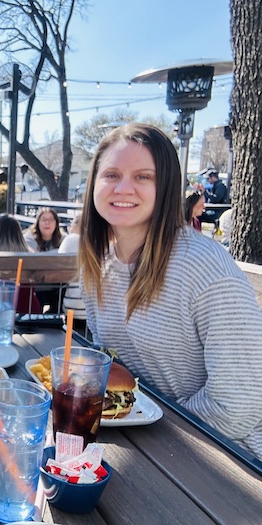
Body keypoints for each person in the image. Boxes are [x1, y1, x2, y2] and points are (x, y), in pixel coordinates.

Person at [79, 122, 262, 459]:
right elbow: (111, 363)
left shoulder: (203, 266)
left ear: (166, 187)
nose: (123, 188)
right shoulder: (97, 264)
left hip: (232, 458)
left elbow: (238, 405)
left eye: (143, 177)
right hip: (144, 438)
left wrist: (153, 435)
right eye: (111, 175)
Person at [25, 207, 65, 312]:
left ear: (56, 223)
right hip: (36, 282)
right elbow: (36, 259)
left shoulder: (63, 239)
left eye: (50, 219)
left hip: (57, 282)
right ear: (38, 222)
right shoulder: (29, 238)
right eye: (43, 219)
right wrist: (56, 253)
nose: (47, 223)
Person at [57, 213, 86, 321]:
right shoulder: (100, 241)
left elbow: (58, 265)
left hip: (72, 308)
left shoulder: (70, 239)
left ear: (76, 225)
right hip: (94, 311)